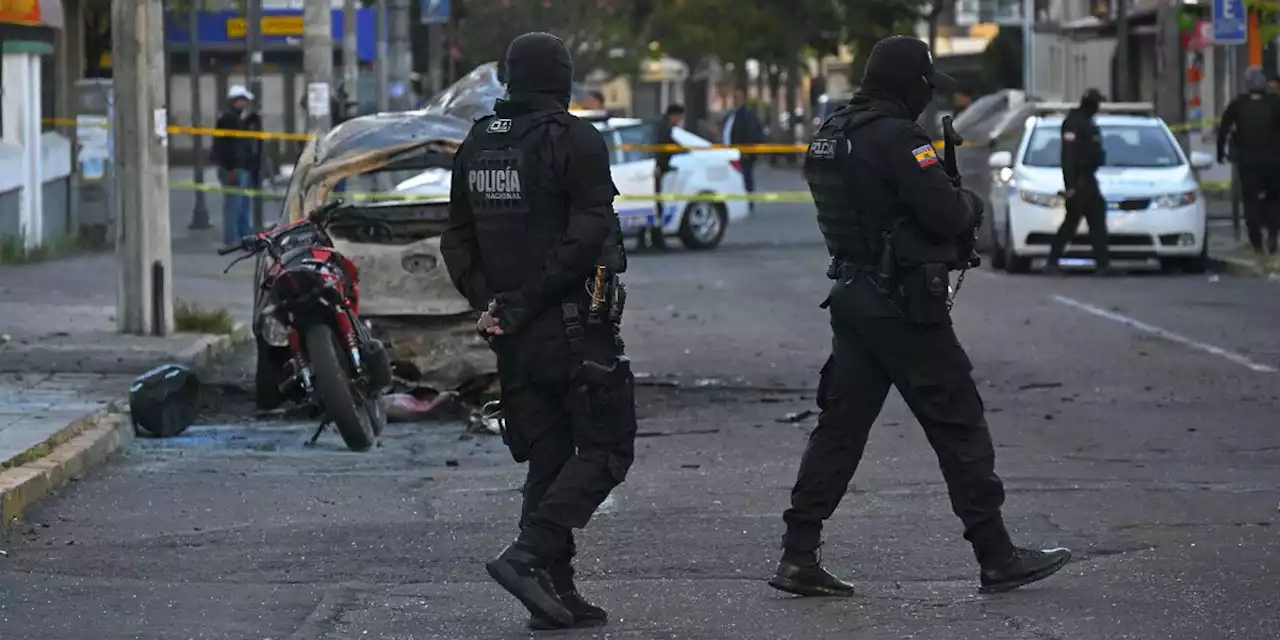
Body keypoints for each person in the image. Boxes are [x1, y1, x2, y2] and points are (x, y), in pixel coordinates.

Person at [770, 34, 1071, 599]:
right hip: (904, 305)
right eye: (926, 88)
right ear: (907, 83)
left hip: (854, 295)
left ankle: (798, 552)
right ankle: (996, 555)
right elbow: (945, 209)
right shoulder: (898, 138)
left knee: (840, 429)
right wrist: (970, 204)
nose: (928, 99)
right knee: (959, 421)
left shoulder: (833, 133)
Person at [440, 31, 636, 630]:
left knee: (549, 459)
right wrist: (522, 304)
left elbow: (457, 238)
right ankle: (528, 559)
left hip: (514, 333)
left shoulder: (477, 142)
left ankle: (554, 591)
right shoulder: (574, 138)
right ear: (562, 77)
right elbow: (587, 234)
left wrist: (492, 304)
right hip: (568, 325)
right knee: (607, 448)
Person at [1044, 89, 1113, 276]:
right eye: (1097, 103)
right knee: (1071, 223)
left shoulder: (1088, 122)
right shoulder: (1073, 123)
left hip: (1089, 178)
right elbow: (1068, 156)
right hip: (1080, 180)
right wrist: (1070, 186)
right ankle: (1052, 261)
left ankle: (1103, 264)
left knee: (1097, 220)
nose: (1099, 107)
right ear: (1089, 103)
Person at [1217, 66, 1280, 261]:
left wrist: (1221, 152)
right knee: (1275, 199)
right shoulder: (1276, 103)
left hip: (1247, 161)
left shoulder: (1239, 104)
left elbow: (1224, 128)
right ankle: (1273, 235)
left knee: (1250, 200)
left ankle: (1256, 241)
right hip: (1274, 160)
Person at [212, 85, 262, 247]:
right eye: (242, 101)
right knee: (234, 205)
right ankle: (231, 239)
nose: (244, 104)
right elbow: (229, 147)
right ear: (235, 101)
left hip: (241, 168)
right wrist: (231, 168)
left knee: (242, 205)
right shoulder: (228, 120)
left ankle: (243, 237)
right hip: (234, 169)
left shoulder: (233, 120)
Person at [641, 103, 686, 251]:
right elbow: (660, 149)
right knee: (655, 206)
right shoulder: (663, 128)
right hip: (655, 171)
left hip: (653, 169)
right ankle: (655, 240)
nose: (679, 121)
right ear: (674, 115)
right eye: (679, 117)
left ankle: (646, 240)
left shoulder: (661, 126)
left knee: (651, 205)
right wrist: (658, 166)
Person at [723, 87, 766, 210]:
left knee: (746, 177)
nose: (735, 100)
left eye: (738, 98)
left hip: (743, 153)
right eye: (734, 98)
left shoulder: (747, 114)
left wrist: (748, 151)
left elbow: (751, 132)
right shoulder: (731, 114)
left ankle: (748, 201)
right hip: (730, 152)